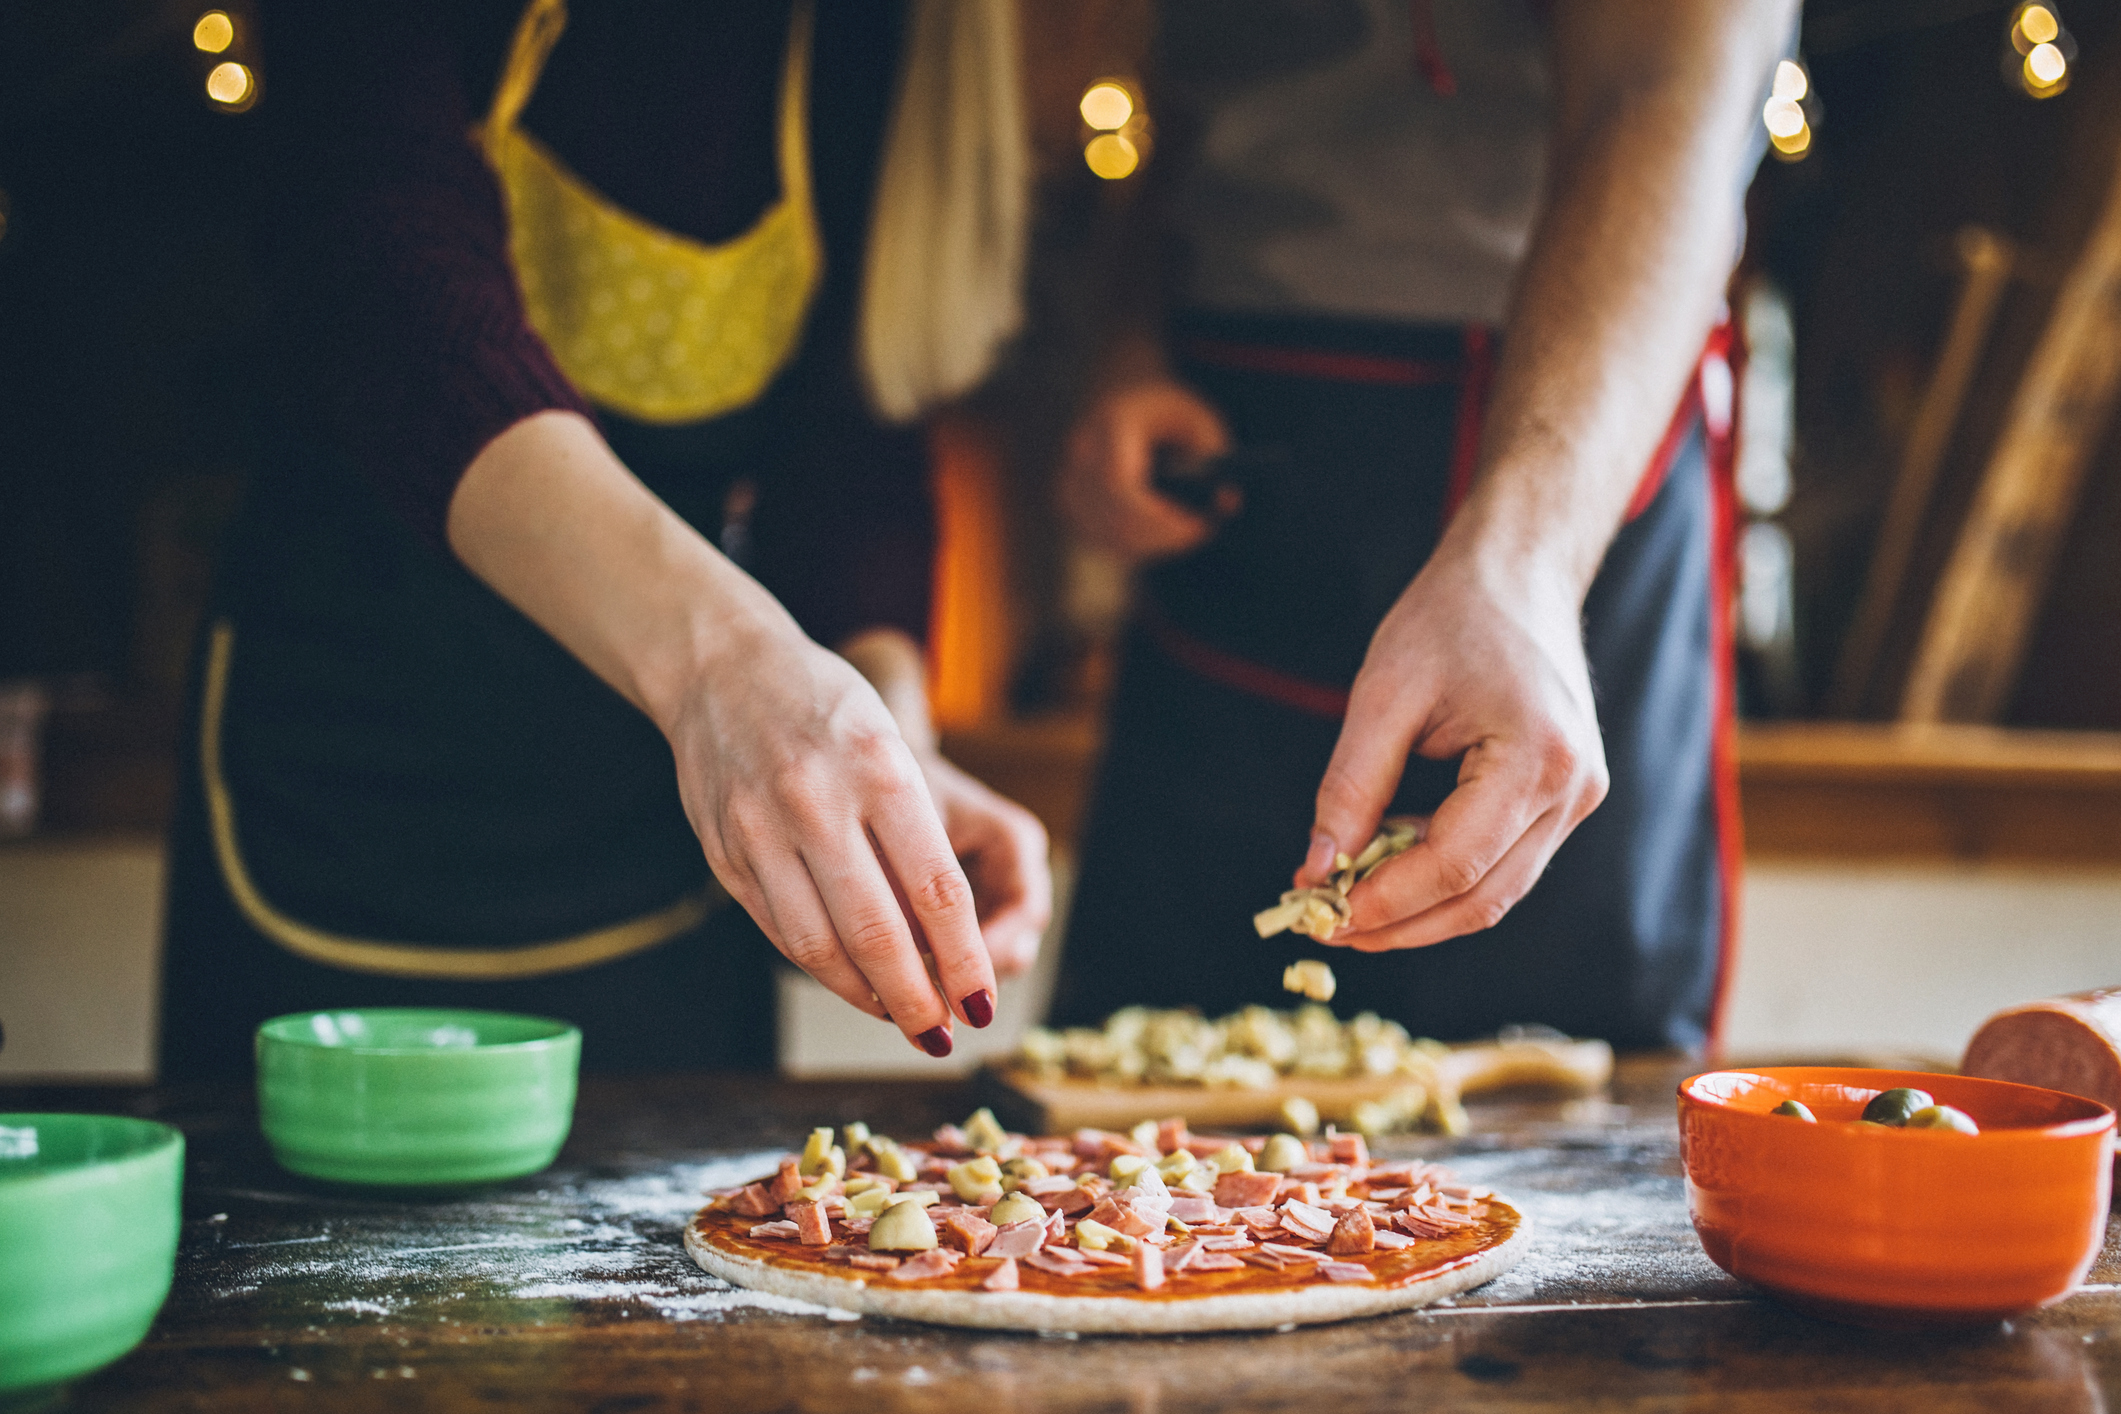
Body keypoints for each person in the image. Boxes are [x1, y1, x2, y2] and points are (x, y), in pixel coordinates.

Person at [158, 0, 1051, 1079]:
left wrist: (891, 732)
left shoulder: (874, 32)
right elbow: (382, 286)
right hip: (349, 765)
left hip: (659, 844)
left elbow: (849, 442)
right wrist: (721, 660)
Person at [1051, 0, 1797, 1053]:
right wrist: (1127, 341)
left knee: (1579, 1111)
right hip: (1235, 438)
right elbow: (1178, 91)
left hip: (1569, 434)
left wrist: (1526, 560)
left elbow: (1668, 92)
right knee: (1137, 1083)